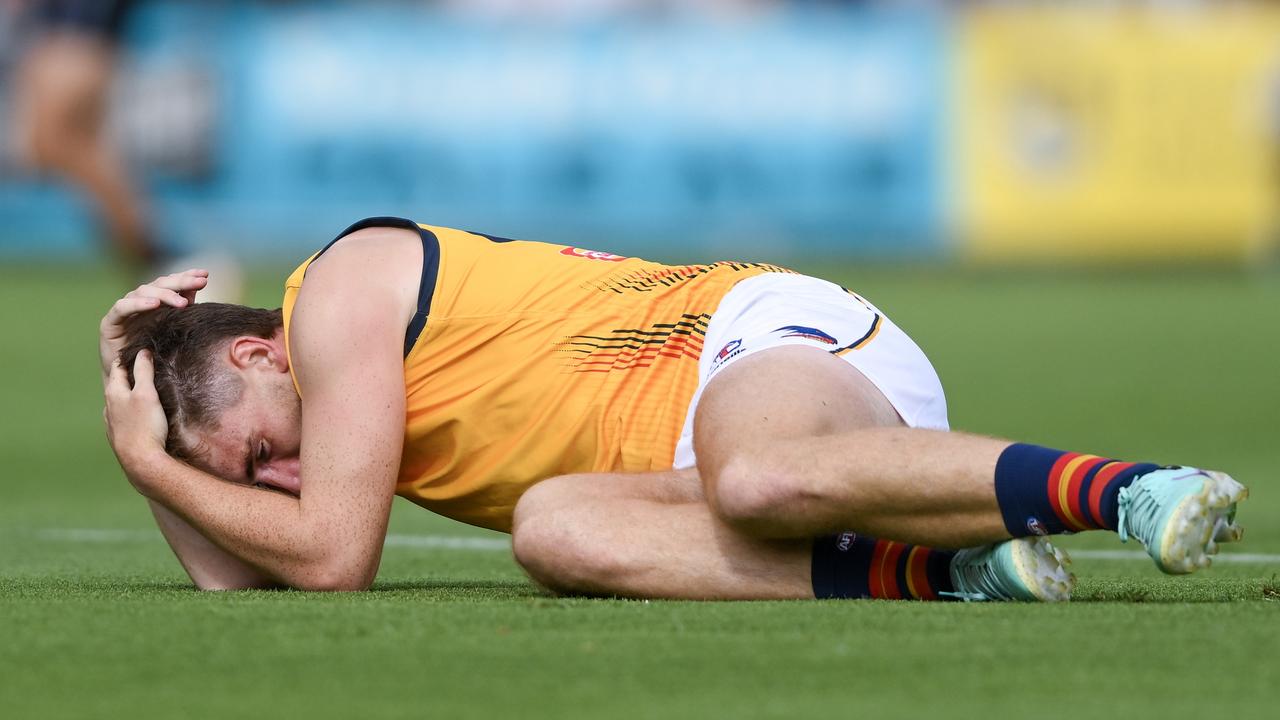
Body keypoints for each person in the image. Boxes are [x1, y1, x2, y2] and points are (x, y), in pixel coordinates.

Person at [100, 218, 1247, 599]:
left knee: (751, 475)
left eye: (258, 454)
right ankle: (952, 573)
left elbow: (329, 558)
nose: (277, 485)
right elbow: (233, 579)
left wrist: (159, 464)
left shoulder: (338, 293)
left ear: (261, 351)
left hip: (761, 346)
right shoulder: (307, 391)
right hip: (706, 461)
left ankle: (1129, 489)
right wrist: (147, 444)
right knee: (551, 532)